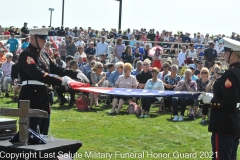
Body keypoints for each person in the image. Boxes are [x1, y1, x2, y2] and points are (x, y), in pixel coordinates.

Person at [18, 28, 87, 135]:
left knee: (43, 133)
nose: (44, 40)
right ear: (32, 38)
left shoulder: (44, 54)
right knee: (31, 133)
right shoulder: (26, 55)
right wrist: (62, 80)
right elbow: (40, 75)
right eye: (41, 38)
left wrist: (75, 73)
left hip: (44, 98)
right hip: (32, 98)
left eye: (45, 38)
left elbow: (57, 69)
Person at [209, 37, 240, 160]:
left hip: (224, 125)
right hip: (234, 123)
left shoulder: (230, 74)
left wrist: (212, 101)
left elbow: (229, 103)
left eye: (226, 52)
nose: (224, 54)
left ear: (232, 55)